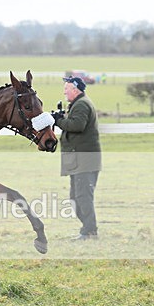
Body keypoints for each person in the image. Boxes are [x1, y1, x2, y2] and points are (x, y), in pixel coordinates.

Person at [53, 75, 101, 241]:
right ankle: (87, 230)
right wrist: (62, 117)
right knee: (75, 198)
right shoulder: (78, 104)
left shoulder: (81, 105)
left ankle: (90, 232)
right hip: (80, 160)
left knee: (83, 197)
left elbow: (77, 126)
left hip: (84, 160)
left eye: (66, 89)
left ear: (75, 90)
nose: (64, 92)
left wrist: (59, 121)